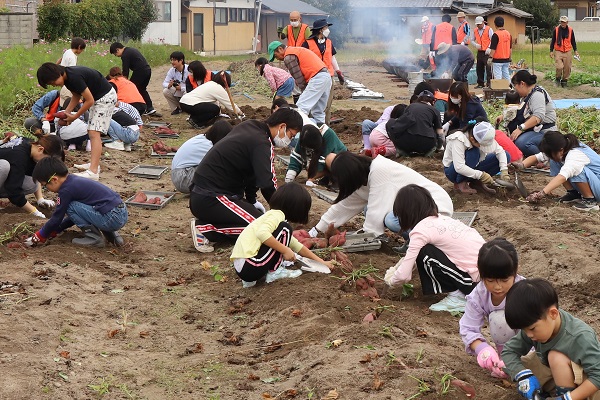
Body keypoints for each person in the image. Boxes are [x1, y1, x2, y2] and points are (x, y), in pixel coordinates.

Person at [189, 108, 303, 252]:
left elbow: (251, 172)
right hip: (211, 196)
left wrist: (252, 199)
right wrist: (280, 214)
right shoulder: (262, 142)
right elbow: (268, 183)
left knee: (261, 221)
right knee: (262, 231)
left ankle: (212, 223)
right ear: (282, 127)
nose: (289, 140)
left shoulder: (251, 126)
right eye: (291, 135)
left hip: (208, 194)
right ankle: (205, 231)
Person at [383, 184, 483, 313]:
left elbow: (403, 276)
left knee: (425, 253)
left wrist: (390, 280)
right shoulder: (443, 219)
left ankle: (459, 296)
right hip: (489, 276)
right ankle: (463, 291)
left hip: (475, 284)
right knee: (425, 251)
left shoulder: (420, 231)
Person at [309, 152, 453, 238]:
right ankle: (412, 241)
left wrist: (365, 236)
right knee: (368, 210)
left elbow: (377, 211)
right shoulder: (362, 181)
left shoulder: (379, 170)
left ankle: (422, 242)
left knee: (391, 220)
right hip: (414, 210)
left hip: (436, 208)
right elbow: (343, 206)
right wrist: (315, 231)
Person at [502, 278, 600, 400]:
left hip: (586, 386)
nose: (529, 335)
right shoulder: (536, 327)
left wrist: (568, 398)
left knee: (555, 357)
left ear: (553, 314)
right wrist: (523, 376)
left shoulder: (580, 336)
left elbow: (597, 376)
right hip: (554, 375)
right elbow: (509, 351)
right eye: (524, 330)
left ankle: (563, 395)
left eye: (532, 329)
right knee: (522, 364)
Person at [231, 182, 333, 288]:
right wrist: (285, 250)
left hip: (243, 268)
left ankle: (250, 281)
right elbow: (262, 234)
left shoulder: (270, 217)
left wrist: (322, 262)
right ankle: (275, 272)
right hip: (251, 266)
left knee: (285, 232)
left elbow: (298, 246)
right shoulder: (278, 216)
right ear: (296, 207)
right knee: (285, 228)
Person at [37, 63, 117, 181]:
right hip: (98, 98)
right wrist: (67, 112)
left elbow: (89, 100)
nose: (54, 84)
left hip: (105, 98)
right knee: (92, 132)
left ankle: (93, 171)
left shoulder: (74, 77)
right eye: (51, 84)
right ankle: (93, 165)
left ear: (58, 73)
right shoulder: (68, 78)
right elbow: (76, 95)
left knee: (94, 133)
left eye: (53, 81)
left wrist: (74, 117)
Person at [25, 157, 127, 248]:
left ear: (54, 179)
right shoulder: (74, 181)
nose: (46, 188)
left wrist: (40, 235)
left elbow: (57, 218)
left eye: (45, 185)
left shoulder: (66, 190)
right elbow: (78, 215)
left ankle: (94, 238)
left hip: (110, 218)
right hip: (120, 213)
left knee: (70, 206)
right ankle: (114, 237)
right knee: (92, 206)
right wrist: (57, 229)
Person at [459, 238, 524, 378]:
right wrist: (483, 350)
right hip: (507, 342)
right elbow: (468, 328)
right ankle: (503, 360)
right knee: (499, 320)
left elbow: (539, 327)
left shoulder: (526, 291)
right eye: (490, 281)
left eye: (504, 280)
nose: (498, 287)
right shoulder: (479, 295)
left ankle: (519, 362)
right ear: (482, 276)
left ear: (515, 272)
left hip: (532, 344)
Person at [516, 130, 600, 212]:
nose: (549, 156)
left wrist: (542, 193)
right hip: (594, 182)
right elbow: (537, 157)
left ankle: (590, 201)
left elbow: (562, 177)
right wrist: (520, 165)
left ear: (561, 150)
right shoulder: (563, 148)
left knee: (577, 170)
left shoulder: (575, 155)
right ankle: (573, 194)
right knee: (555, 161)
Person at [0, 133, 64, 217]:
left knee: (33, 183)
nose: (45, 163)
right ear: (40, 149)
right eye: (46, 159)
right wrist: (34, 211)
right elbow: (14, 192)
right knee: (4, 166)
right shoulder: (19, 156)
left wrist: (40, 199)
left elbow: (36, 171)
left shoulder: (31, 145)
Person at [269, 41, 331, 126]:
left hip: (317, 78)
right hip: (326, 76)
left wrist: (304, 92)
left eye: (275, 55)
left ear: (280, 49)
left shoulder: (288, 57)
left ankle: (296, 133)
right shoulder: (295, 50)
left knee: (300, 108)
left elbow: (299, 79)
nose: (277, 59)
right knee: (318, 111)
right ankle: (321, 133)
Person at [443, 120, 510, 194]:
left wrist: (504, 170)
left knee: (506, 156)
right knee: (474, 152)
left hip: (474, 165)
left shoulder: (484, 135)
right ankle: (461, 183)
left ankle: (476, 183)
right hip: (453, 172)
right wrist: (481, 175)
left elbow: (500, 152)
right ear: (472, 139)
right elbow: (459, 167)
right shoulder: (459, 139)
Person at [170, 120, 232, 193]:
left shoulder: (202, 138)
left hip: (180, 174)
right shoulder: (209, 146)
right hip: (182, 179)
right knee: (219, 168)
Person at [303, 18, 344, 124]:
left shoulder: (329, 42)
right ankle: (312, 125)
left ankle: (325, 126)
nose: (328, 30)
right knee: (313, 102)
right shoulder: (307, 44)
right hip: (314, 77)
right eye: (326, 28)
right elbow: (303, 60)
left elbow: (332, 58)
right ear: (320, 30)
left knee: (326, 104)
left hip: (328, 76)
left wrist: (338, 71)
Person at [508, 70, 557, 157]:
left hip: (545, 131)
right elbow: (519, 110)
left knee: (521, 143)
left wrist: (520, 128)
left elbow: (538, 117)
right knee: (513, 139)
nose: (515, 90)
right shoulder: (526, 95)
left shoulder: (537, 94)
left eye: (515, 86)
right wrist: (504, 116)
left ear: (522, 84)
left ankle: (545, 158)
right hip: (535, 130)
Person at [387, 90, 443, 157]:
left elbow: (401, 125)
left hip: (408, 142)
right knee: (434, 129)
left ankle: (402, 152)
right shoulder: (435, 111)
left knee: (390, 123)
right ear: (432, 101)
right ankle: (429, 153)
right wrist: (439, 147)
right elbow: (440, 133)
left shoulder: (411, 106)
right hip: (427, 144)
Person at [109, 42, 158, 116]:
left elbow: (125, 71)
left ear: (117, 50)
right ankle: (150, 108)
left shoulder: (125, 55)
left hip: (140, 72)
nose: (116, 56)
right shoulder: (131, 50)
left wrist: (123, 82)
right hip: (147, 70)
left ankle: (133, 108)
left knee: (132, 88)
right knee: (141, 89)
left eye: (115, 54)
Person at [551, 16, 579, 88]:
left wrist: (575, 50)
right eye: (561, 22)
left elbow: (573, 41)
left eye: (564, 22)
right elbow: (553, 40)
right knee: (559, 67)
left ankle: (564, 81)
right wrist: (551, 51)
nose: (562, 23)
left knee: (567, 67)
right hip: (558, 50)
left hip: (567, 51)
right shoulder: (556, 29)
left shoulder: (570, 30)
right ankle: (557, 79)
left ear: (567, 22)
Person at [472, 16, 493, 89]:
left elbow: (492, 39)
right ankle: (480, 83)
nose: (478, 26)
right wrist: (475, 45)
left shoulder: (489, 29)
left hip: (487, 52)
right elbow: (471, 40)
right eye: (477, 24)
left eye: (479, 24)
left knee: (488, 68)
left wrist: (489, 47)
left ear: (483, 22)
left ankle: (489, 83)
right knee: (479, 68)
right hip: (480, 51)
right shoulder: (475, 30)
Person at [489, 17, 512, 81]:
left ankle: (499, 90)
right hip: (506, 59)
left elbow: (493, 49)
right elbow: (510, 48)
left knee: (498, 77)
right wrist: (510, 58)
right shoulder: (508, 34)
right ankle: (510, 88)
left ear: (495, 24)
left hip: (497, 60)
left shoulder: (495, 35)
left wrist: (490, 58)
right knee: (506, 76)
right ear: (503, 23)